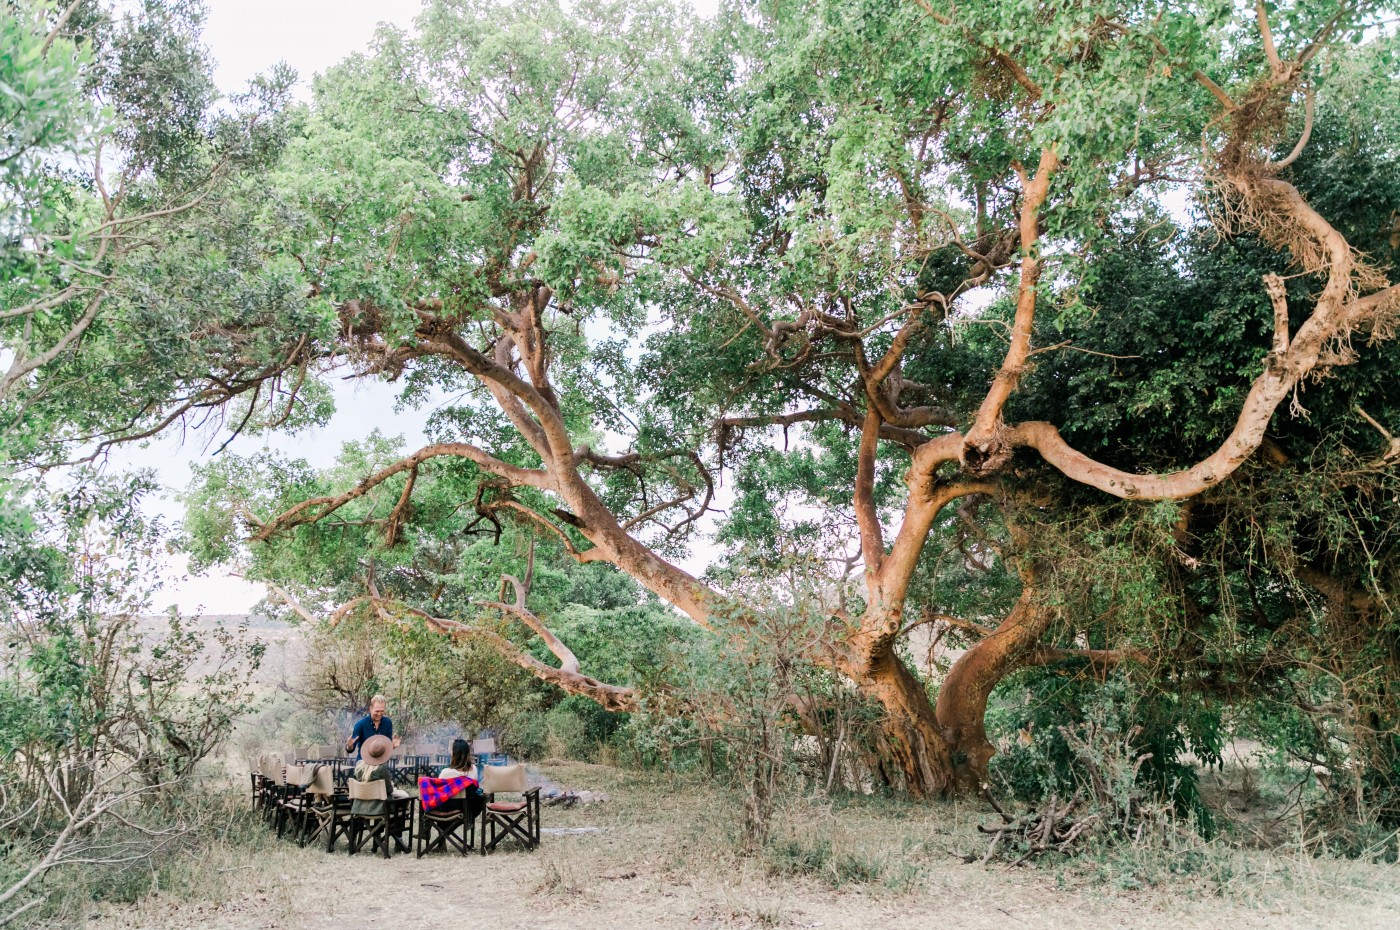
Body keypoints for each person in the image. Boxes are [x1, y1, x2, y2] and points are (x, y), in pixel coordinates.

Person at [437, 738, 485, 819]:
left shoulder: (446, 772)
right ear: (467, 753)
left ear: (453, 754)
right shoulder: (474, 769)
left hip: (447, 810)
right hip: (468, 810)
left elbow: (438, 793)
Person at [345, 694, 402, 759]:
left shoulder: (387, 723)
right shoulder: (360, 724)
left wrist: (392, 746)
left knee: (382, 768)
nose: (379, 714)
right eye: (377, 711)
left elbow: (386, 748)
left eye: (382, 711)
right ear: (370, 709)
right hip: (363, 762)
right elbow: (350, 750)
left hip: (381, 762)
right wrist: (349, 746)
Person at [350, 734, 393, 818]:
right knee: (403, 801)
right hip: (380, 809)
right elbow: (389, 790)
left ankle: (374, 830)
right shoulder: (381, 768)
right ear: (384, 754)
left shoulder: (359, 766)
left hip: (359, 808)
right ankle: (389, 830)